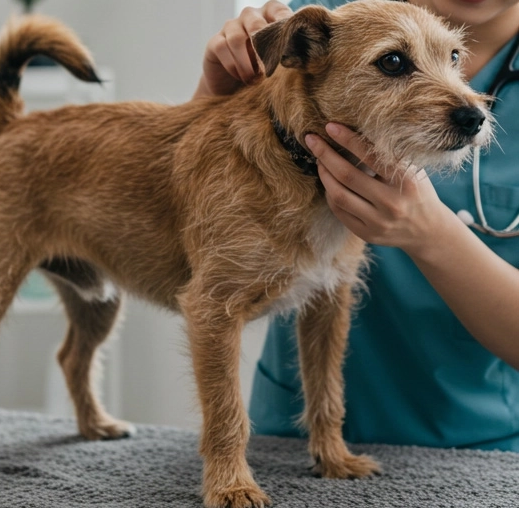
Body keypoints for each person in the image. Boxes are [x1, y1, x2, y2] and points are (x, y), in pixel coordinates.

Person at [194, 0, 519, 451]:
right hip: (288, 438)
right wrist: (214, 98)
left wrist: (433, 235)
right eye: (392, 62)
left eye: (452, 59)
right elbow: (192, 217)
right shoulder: (327, 18)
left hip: (473, 444)